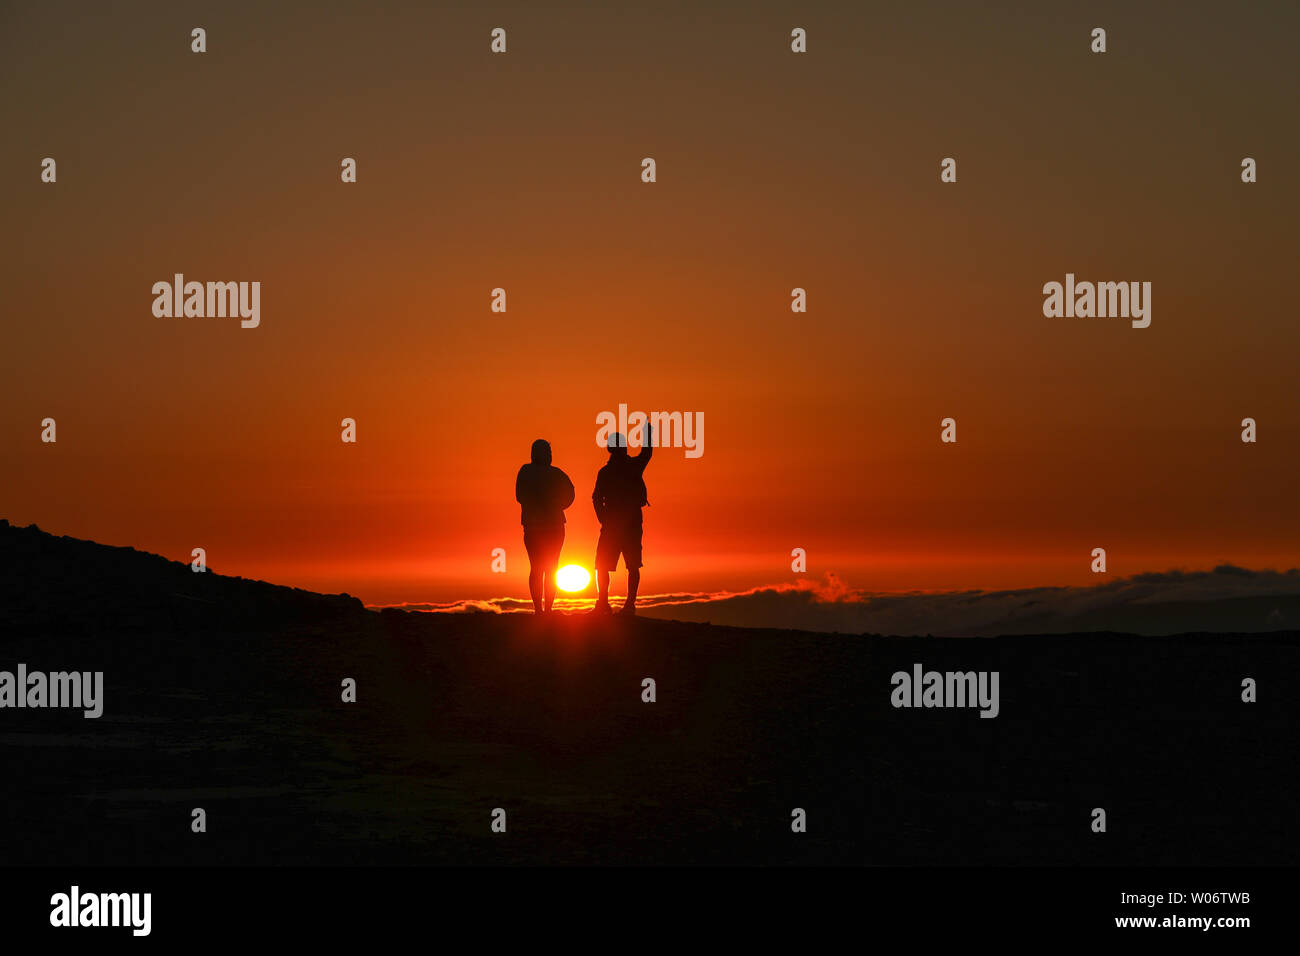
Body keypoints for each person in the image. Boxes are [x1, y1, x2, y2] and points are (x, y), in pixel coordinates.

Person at [591, 422, 653, 615]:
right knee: (623, 565)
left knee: (610, 565)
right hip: (626, 524)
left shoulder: (608, 471)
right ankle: (621, 604)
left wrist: (603, 518)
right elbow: (646, 453)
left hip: (619, 524)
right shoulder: (627, 468)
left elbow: (595, 498)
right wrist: (647, 435)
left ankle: (614, 604)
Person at [515, 439, 575, 614]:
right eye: (546, 451)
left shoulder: (531, 472)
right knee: (544, 568)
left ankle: (544, 610)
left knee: (544, 568)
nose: (548, 454)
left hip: (546, 527)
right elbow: (520, 495)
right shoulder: (534, 472)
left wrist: (556, 504)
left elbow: (570, 494)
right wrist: (554, 504)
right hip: (543, 527)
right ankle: (542, 610)